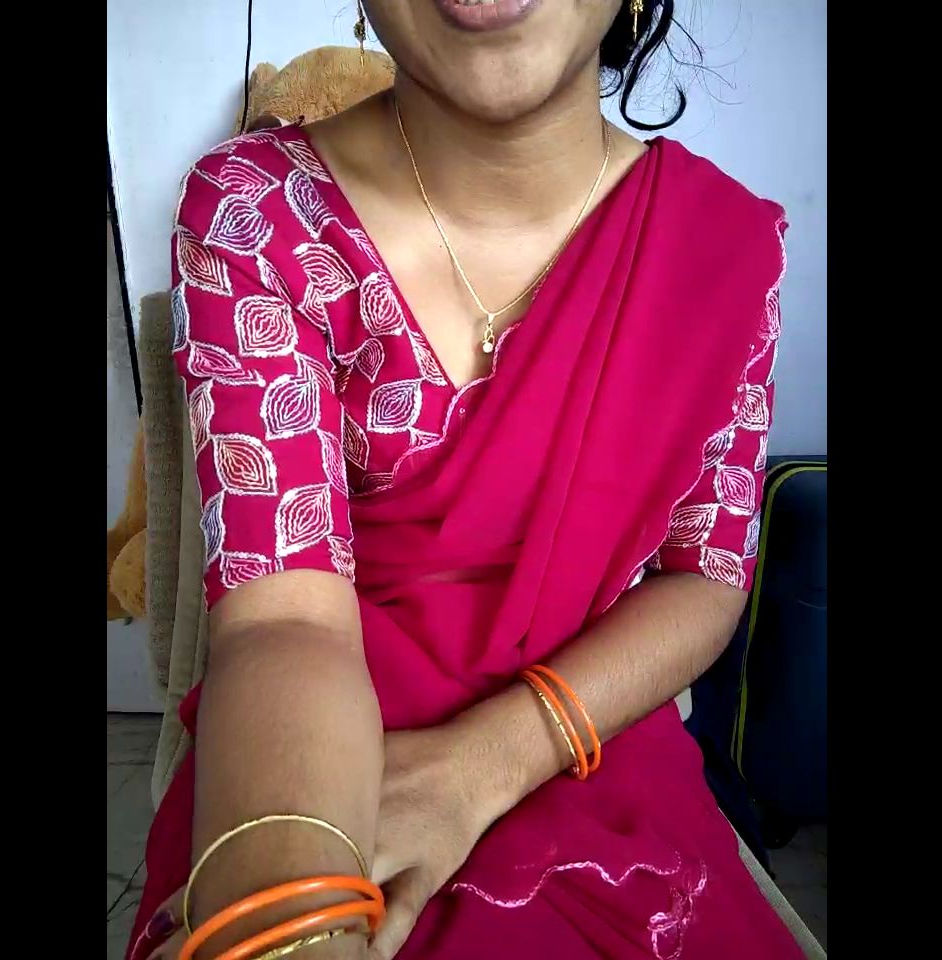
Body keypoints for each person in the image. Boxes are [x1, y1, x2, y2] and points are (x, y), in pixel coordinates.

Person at [128, 1, 802, 958]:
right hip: (310, 750)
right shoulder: (256, 208)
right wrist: (298, 915)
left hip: (584, 740)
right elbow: (285, 619)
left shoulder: (725, 245)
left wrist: (491, 759)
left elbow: (708, 575)